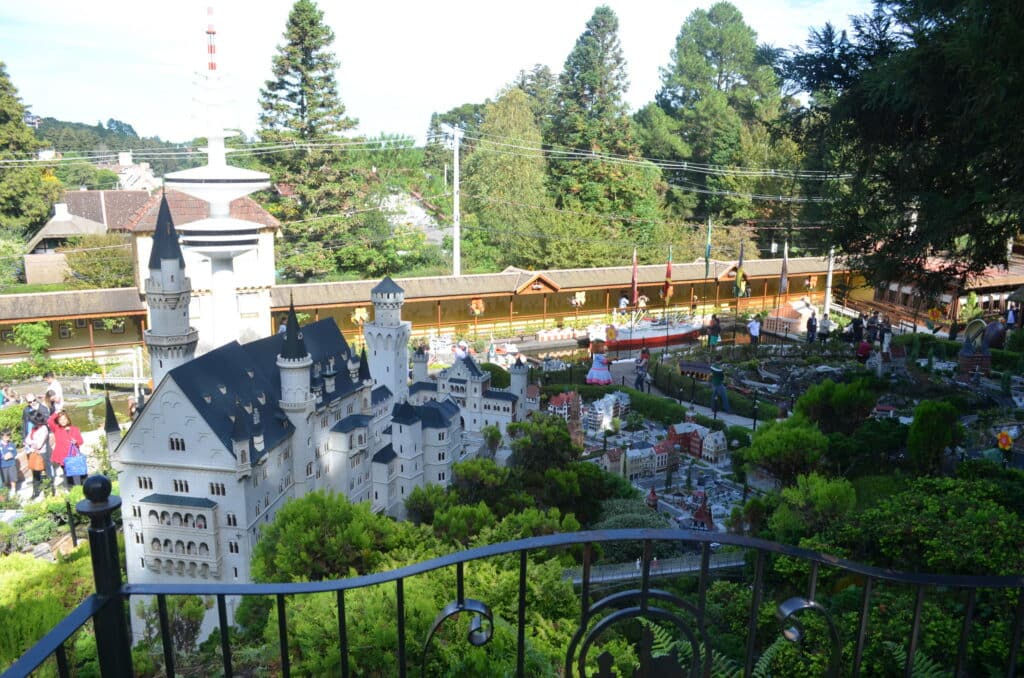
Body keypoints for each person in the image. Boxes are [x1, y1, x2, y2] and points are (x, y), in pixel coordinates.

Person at [49, 410, 85, 487]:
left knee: (77, 473)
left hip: (73, 455)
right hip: (62, 456)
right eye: (60, 419)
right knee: (67, 473)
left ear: (68, 419)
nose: (63, 421)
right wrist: (56, 412)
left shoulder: (75, 429)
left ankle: (81, 488)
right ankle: (71, 489)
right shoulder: (57, 429)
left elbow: (81, 441)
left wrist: (76, 442)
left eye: (64, 419)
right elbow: (50, 420)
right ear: (58, 421)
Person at [24, 410, 52, 498]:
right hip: (34, 453)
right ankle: (36, 491)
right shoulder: (34, 429)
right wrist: (32, 442)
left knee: (45, 473)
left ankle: (48, 491)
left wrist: (31, 442)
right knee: (35, 473)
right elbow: (26, 440)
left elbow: (39, 444)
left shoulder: (44, 428)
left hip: (42, 454)